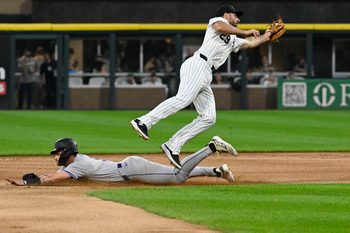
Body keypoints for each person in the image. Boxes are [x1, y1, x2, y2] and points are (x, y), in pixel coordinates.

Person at [131, 4, 273, 169]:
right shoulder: (217, 21)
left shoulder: (233, 39)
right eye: (236, 16)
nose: (238, 19)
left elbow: (251, 43)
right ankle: (143, 121)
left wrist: (268, 35)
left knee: (209, 117)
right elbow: (221, 27)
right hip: (198, 64)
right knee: (183, 99)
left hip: (206, 73)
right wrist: (246, 31)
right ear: (227, 14)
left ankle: (173, 145)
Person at [5, 136, 237, 186]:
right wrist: (40, 176)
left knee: (177, 177)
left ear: (66, 152)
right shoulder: (77, 162)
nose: (55, 157)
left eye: (57, 153)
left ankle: (211, 147)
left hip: (132, 169)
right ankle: (217, 171)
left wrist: (30, 182)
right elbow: (57, 174)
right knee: (170, 172)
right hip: (131, 167)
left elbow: (56, 177)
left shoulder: (77, 165)